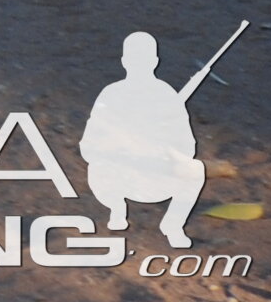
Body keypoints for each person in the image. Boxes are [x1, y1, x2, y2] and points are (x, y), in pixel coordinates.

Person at [80, 29, 213, 247]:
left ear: (154, 61)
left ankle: (173, 225)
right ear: (125, 61)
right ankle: (117, 210)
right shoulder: (111, 94)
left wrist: (163, 146)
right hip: (116, 177)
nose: (138, 64)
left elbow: (187, 148)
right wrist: (121, 147)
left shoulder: (167, 96)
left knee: (196, 169)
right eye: (134, 58)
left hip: (156, 176)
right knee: (97, 168)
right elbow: (88, 148)